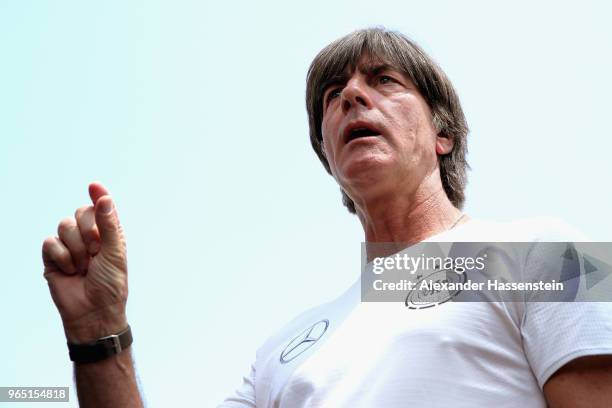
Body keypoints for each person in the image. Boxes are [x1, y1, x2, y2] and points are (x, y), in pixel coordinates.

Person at [42, 27, 612, 408]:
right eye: (333, 95)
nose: (352, 97)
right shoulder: (280, 350)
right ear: (329, 156)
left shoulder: (549, 251)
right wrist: (98, 333)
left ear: (443, 135)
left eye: (384, 80)